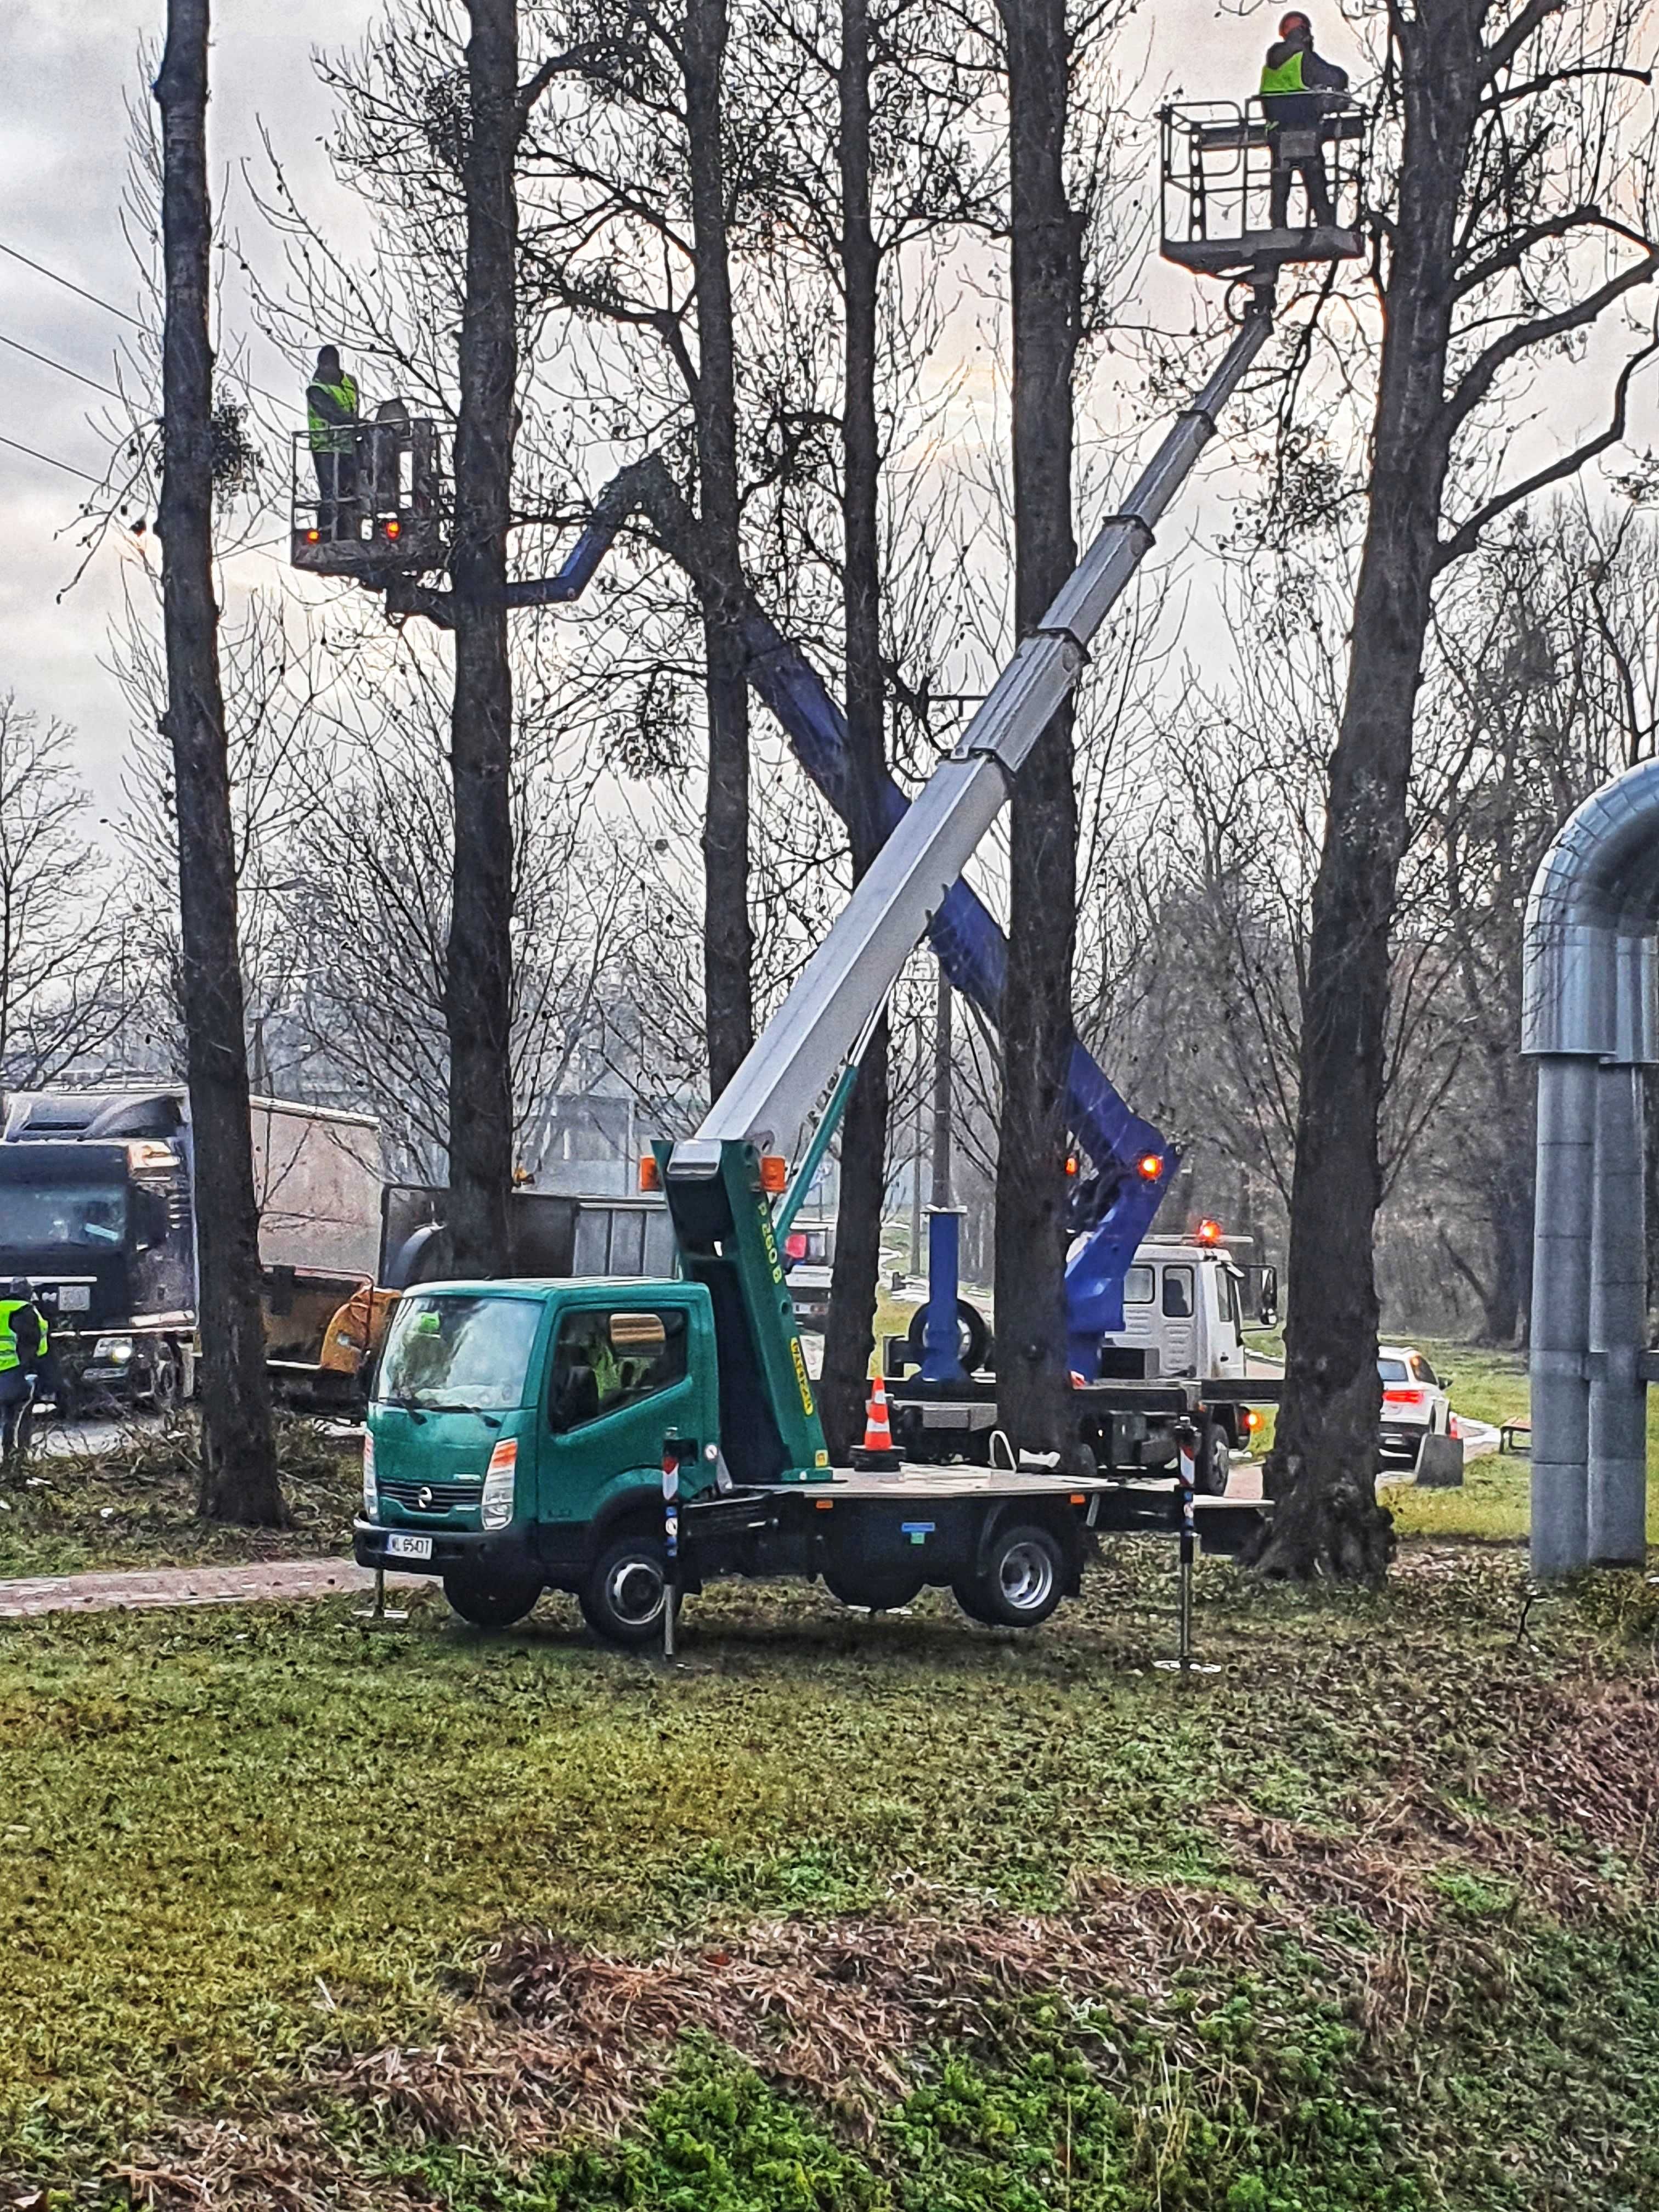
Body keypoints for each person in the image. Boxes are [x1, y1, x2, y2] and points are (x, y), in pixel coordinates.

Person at [1259, 12, 1349, 230]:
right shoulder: (1302, 57)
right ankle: (1325, 223)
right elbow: (1336, 77)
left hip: (1279, 129)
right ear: (1304, 31)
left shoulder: (1273, 57)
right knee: (1315, 178)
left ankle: (1278, 227)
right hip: (1303, 126)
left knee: (1281, 181)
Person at [306, 344, 360, 539]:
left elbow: (353, 410)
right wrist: (355, 423)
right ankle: (328, 533)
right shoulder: (315, 390)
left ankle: (348, 532)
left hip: (347, 446)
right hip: (324, 448)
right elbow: (333, 413)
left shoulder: (350, 384)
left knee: (349, 492)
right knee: (330, 494)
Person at [0, 1278, 47, 1464]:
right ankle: (17, 1461)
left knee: (7, 1420)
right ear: (29, 1293)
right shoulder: (27, 1312)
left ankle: (10, 1461)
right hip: (16, 1374)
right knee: (19, 1418)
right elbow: (37, 1348)